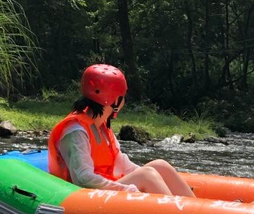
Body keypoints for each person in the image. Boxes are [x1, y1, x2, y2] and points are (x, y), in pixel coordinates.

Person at [48, 64, 195, 197]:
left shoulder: (101, 127)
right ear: (114, 100)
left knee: (159, 166)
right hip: (83, 196)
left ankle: (194, 212)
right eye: (122, 97)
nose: (124, 101)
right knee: (147, 175)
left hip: (101, 188)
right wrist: (127, 189)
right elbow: (83, 178)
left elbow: (123, 164)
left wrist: (159, 180)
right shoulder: (76, 131)